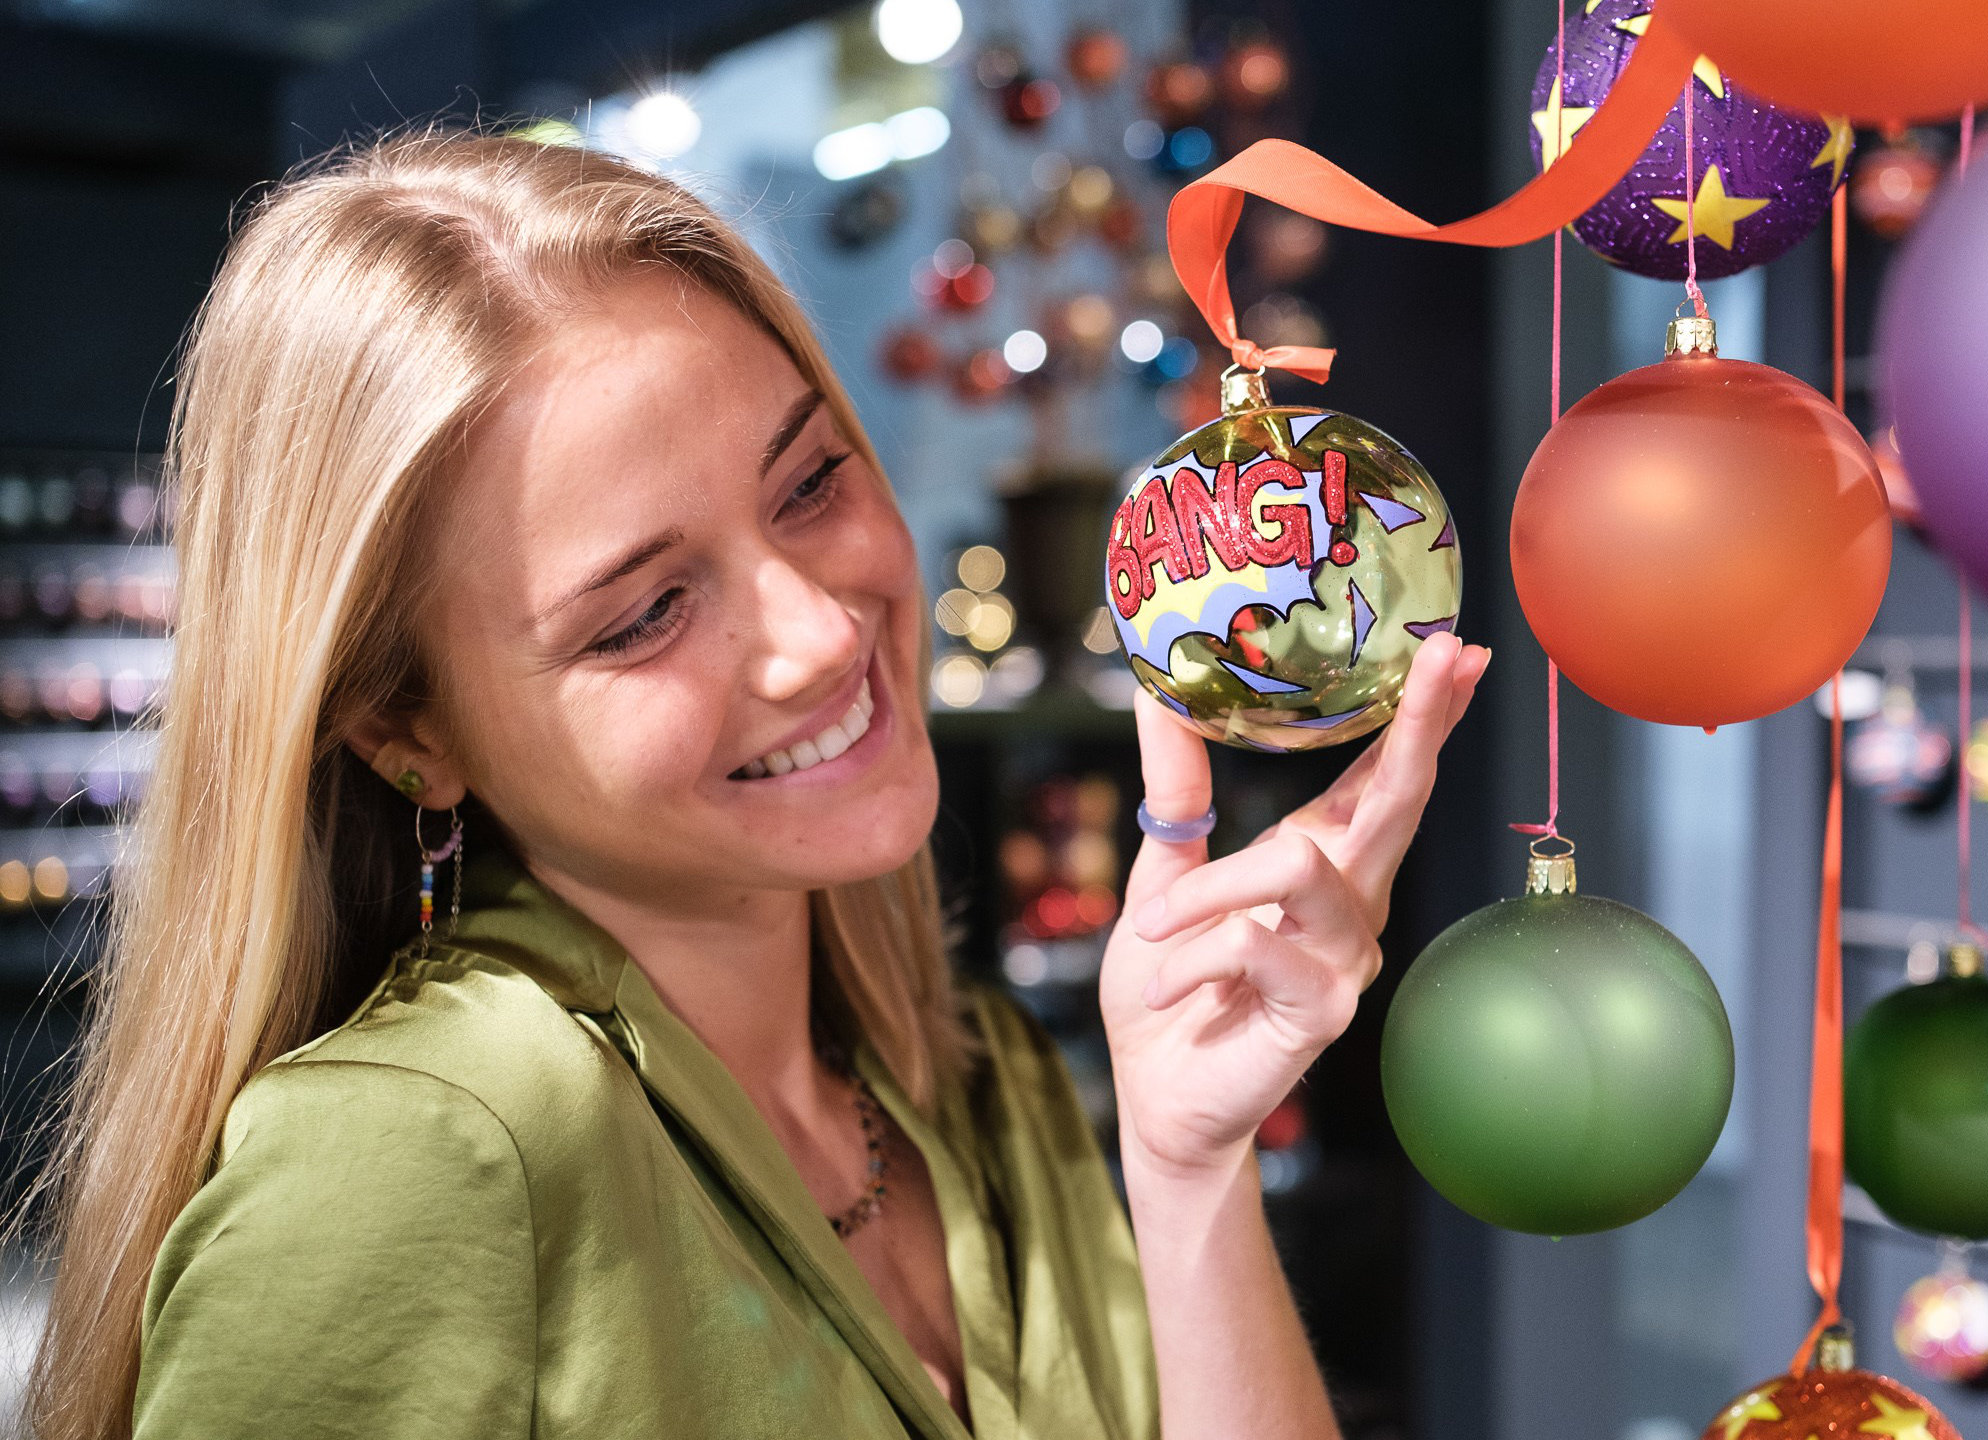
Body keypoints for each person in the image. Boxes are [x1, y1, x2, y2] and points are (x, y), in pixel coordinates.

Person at [19, 132, 1487, 1440]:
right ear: (412, 731)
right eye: (644, 611)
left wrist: (1191, 1165)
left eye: (810, 484)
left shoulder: (989, 1080)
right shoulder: (406, 1162)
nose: (820, 628)